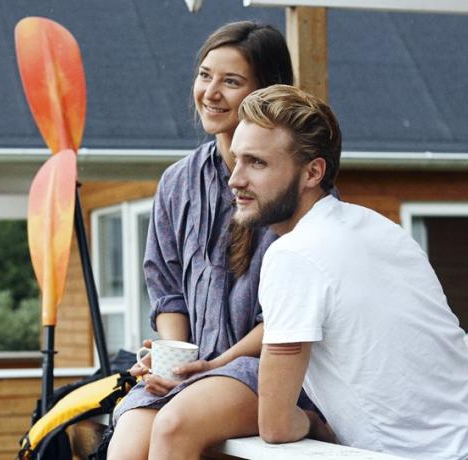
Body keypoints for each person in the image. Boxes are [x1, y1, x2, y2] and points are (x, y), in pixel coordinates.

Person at [227, 84, 468, 459]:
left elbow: (276, 426)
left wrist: (313, 424)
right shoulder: (379, 227)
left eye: (257, 162)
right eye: (237, 160)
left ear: (313, 172)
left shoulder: (293, 254)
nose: (235, 179)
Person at [108, 21, 331, 460]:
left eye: (231, 81)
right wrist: (172, 359)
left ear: (265, 91)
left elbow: (289, 316)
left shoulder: (296, 185)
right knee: (127, 441)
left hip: (269, 369)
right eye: (205, 75)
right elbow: (167, 290)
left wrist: (213, 365)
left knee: (174, 425)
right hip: (197, 371)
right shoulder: (177, 182)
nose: (211, 92)